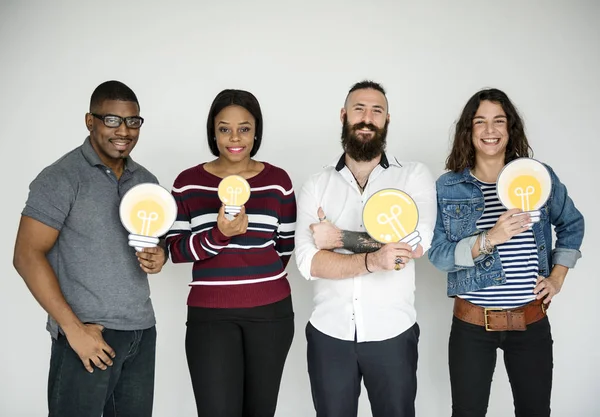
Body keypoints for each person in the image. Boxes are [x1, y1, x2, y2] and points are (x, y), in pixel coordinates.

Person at [13, 80, 167, 417]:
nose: (124, 130)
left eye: (132, 121)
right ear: (90, 121)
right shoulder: (61, 178)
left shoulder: (146, 181)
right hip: (88, 334)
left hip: (140, 331)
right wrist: (73, 329)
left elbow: (157, 241)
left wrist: (160, 255)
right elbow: (26, 256)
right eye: (112, 120)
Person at [428, 88, 584, 417]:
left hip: (530, 322)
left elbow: (571, 224)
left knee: (535, 411)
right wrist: (489, 238)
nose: (490, 130)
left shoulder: (538, 178)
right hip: (472, 326)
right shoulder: (448, 187)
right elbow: (439, 254)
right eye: (480, 122)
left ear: (510, 128)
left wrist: (557, 277)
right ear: (468, 132)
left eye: (499, 121)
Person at [294, 80, 437, 417]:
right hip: (329, 334)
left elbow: (415, 245)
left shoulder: (412, 177)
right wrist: (376, 258)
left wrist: (339, 239)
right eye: (359, 109)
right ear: (344, 115)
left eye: (377, 111)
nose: (367, 118)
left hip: (393, 334)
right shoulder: (317, 183)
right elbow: (308, 262)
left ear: (387, 120)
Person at [166, 89, 296, 417]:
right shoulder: (187, 183)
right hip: (210, 316)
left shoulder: (278, 182)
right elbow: (176, 250)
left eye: (245, 128)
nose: (234, 137)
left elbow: (285, 248)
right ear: (213, 131)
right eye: (224, 128)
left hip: (271, 314)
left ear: (257, 132)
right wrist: (219, 236)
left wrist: (254, 275)